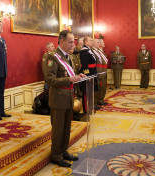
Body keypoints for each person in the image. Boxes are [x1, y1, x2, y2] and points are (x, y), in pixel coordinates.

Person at [45, 30, 86, 167]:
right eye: (70, 41)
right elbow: (50, 80)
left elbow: (71, 75)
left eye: (73, 41)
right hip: (58, 98)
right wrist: (69, 79)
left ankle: (63, 151)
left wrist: (78, 77)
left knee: (67, 127)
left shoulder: (68, 57)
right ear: (61, 41)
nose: (73, 44)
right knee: (58, 129)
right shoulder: (52, 57)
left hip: (69, 97)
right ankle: (56, 155)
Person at [94, 39, 108, 106]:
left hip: (103, 71)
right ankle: (97, 101)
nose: (104, 43)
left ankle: (100, 100)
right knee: (99, 87)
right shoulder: (96, 51)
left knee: (103, 87)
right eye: (98, 42)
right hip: (100, 71)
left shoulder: (100, 52)